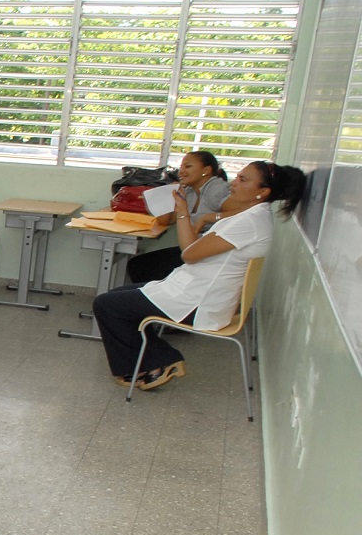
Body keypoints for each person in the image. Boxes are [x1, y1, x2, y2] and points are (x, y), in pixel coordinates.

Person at [94, 161, 306, 390]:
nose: (234, 183)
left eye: (243, 180)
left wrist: (185, 214)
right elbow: (193, 248)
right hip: (198, 291)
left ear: (262, 192)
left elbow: (189, 254)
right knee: (118, 296)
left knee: (107, 305)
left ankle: (158, 362)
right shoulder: (255, 214)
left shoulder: (250, 222)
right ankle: (156, 359)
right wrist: (189, 214)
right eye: (238, 176)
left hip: (198, 302)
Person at [126, 151, 232, 283]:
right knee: (138, 264)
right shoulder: (189, 190)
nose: (181, 172)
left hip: (211, 255)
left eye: (188, 166)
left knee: (142, 267)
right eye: (181, 167)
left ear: (206, 170)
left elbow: (241, 214)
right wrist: (164, 195)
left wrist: (208, 218)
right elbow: (167, 220)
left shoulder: (216, 189)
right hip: (193, 248)